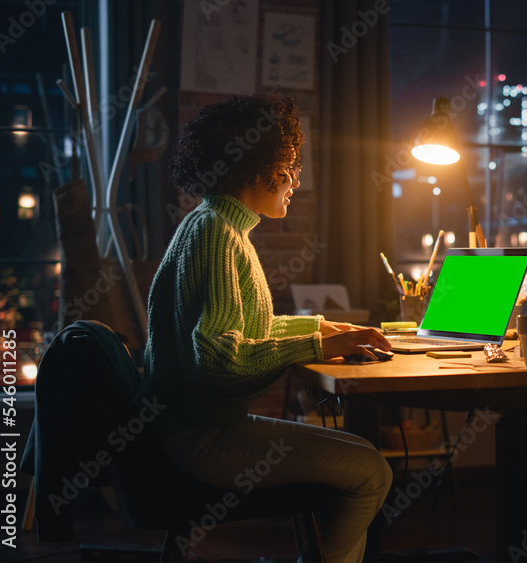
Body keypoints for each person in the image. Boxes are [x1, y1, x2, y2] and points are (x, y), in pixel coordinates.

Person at [140, 92, 393, 562]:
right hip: (201, 439)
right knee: (371, 472)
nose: (295, 179)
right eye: (288, 166)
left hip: (195, 430)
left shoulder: (216, 224)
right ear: (253, 166)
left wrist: (320, 328)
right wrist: (317, 345)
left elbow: (247, 327)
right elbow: (217, 357)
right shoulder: (216, 232)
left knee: (361, 460)